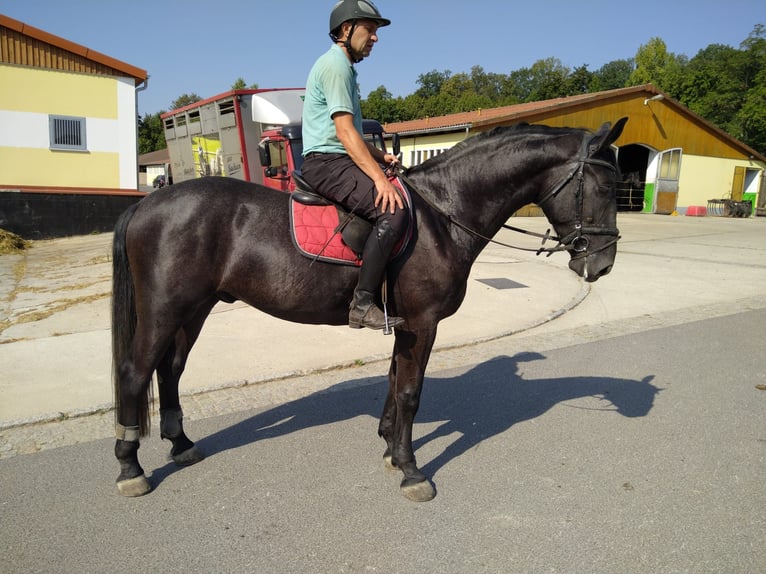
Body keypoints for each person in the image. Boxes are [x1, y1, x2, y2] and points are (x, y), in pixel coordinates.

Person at [301, 0, 407, 331]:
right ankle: (362, 304)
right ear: (347, 29)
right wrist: (380, 180)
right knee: (393, 211)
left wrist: (382, 158)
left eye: (376, 31)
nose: (375, 38)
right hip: (327, 163)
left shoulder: (344, 66)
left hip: (336, 157)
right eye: (370, 29)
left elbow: (356, 136)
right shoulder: (336, 66)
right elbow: (344, 133)